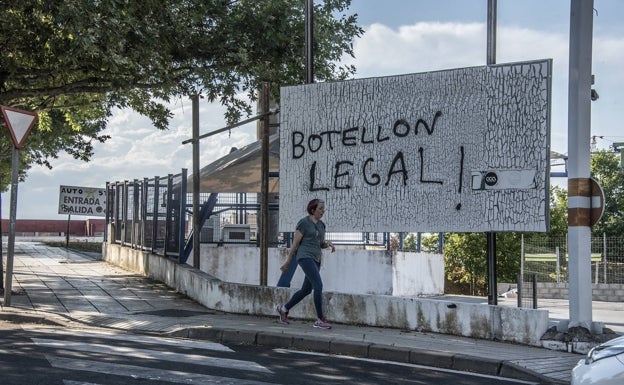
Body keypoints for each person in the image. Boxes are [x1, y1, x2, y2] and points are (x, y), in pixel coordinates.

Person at [276, 198, 335, 329]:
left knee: (306, 290)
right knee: (318, 285)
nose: (322, 211)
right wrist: (288, 261)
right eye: (320, 208)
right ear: (312, 210)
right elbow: (295, 243)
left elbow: (320, 243)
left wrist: (328, 244)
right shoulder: (304, 223)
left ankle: (284, 309)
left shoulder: (321, 225)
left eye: (323, 209)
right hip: (305, 257)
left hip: (316, 259)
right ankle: (320, 319)